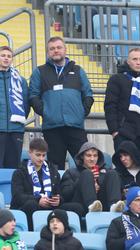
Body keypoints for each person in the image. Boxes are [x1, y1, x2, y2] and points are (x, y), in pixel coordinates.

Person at [29, 36, 94, 170]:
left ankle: (86, 190)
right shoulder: (39, 72)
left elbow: (88, 94)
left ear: (65, 50)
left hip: (75, 127)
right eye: (52, 49)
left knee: (85, 166)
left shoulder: (78, 70)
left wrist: (81, 112)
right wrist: (47, 113)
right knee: (55, 168)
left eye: (59, 47)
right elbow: (33, 96)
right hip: (52, 128)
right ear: (48, 52)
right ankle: (57, 191)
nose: (56, 51)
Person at [10, 138, 84, 231]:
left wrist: (58, 200)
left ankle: (67, 237)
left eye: (43, 155)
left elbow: (60, 193)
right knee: (31, 205)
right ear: (30, 153)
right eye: (38, 155)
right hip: (30, 206)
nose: (41, 158)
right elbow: (17, 196)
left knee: (77, 207)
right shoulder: (19, 172)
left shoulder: (53, 171)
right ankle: (33, 233)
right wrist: (38, 200)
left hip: (50, 207)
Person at [104, 48, 140, 160]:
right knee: (124, 171)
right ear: (128, 61)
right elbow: (110, 105)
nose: (138, 62)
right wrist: (115, 131)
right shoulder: (116, 79)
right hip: (123, 134)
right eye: (135, 59)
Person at [61, 142, 122, 213]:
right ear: (82, 156)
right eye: (88, 155)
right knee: (87, 173)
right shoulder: (71, 172)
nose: (92, 159)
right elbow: (65, 195)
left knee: (113, 173)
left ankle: (114, 206)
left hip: (102, 204)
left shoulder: (105, 172)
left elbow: (116, 190)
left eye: (95, 156)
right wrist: (84, 183)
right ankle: (92, 205)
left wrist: (98, 185)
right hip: (81, 205)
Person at [0, 46, 29, 168]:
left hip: (16, 130)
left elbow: (26, 105)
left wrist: (18, 121)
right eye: (3, 55)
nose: (6, 58)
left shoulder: (20, 80)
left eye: (9, 56)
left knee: (13, 168)